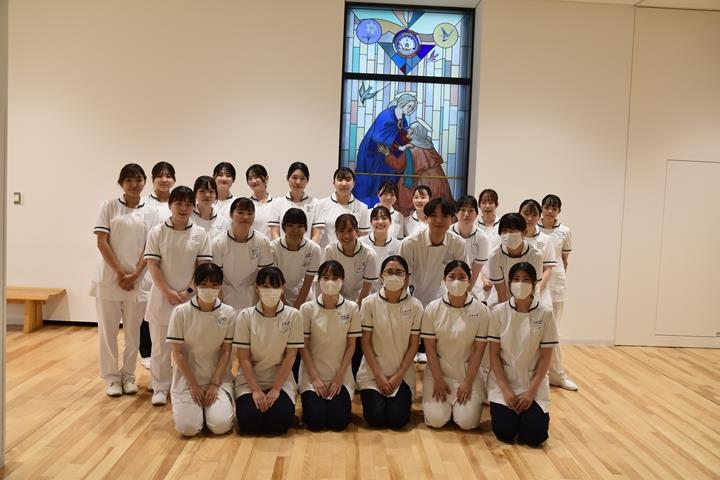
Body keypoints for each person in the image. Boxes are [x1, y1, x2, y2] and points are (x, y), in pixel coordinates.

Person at [144, 186, 213, 406]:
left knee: (190, 348)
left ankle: (184, 386)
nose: (183, 208)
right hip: (162, 297)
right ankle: (160, 387)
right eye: (179, 203)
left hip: (191, 298)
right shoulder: (156, 232)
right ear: (169, 205)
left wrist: (188, 291)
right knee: (160, 347)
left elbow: (203, 267)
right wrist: (167, 291)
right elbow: (153, 265)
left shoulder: (200, 234)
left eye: (188, 204)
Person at [91, 163, 155, 397]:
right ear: (121, 183)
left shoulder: (151, 211)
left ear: (144, 182)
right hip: (110, 279)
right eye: (129, 180)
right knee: (107, 332)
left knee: (133, 333)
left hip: (139, 281)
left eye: (138, 179)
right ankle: (111, 378)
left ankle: (128, 376)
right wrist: (120, 273)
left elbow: (151, 246)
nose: (134, 184)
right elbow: (102, 242)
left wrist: (135, 275)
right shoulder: (108, 207)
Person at [487, 262, 558, 446]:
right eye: (516, 279)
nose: (520, 284)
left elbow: (546, 357)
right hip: (504, 382)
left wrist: (531, 393)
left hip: (532, 384)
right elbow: (494, 354)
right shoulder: (499, 312)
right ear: (509, 283)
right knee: (505, 432)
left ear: (534, 284)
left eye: (526, 280)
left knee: (535, 436)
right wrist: (505, 389)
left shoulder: (545, 313)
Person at [233, 267, 304, 435]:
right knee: (249, 423)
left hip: (280, 380)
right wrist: (256, 390)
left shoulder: (293, 315)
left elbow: (291, 355)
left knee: (278, 424)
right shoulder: (245, 316)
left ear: (282, 288)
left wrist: (276, 389)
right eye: (265, 286)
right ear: (256, 288)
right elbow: (243, 358)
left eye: (275, 286)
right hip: (250, 380)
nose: (270, 290)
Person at [167, 263, 235, 436]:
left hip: (218, 379)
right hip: (187, 380)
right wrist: (193, 385)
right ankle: (195, 412)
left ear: (221, 286)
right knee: (189, 428)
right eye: (204, 284)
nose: (209, 289)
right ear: (195, 285)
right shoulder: (181, 312)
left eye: (214, 284)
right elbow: (178, 353)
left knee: (219, 426)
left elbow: (226, 352)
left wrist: (214, 384)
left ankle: (210, 411)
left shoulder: (228, 313)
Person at [421, 261, 490, 430]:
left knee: (466, 422)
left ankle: (459, 409)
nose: (456, 281)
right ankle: (446, 408)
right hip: (438, 373)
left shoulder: (481, 311)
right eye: (452, 277)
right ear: (444, 280)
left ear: (469, 281)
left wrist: (467, 382)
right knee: (436, 420)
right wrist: (438, 379)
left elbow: (479, 350)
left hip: (468, 374)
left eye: (462, 277)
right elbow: (430, 348)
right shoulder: (432, 309)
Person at [357, 255, 423, 429]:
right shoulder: (369, 303)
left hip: (402, 375)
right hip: (373, 373)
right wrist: (379, 375)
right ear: (381, 276)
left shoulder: (415, 306)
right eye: (389, 272)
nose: (394, 276)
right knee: (375, 418)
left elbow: (413, 346)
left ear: (406, 277)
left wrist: (398, 376)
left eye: (399, 272)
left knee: (397, 420)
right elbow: (365, 343)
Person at [298, 261, 361, 431]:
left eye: (335, 278)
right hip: (313, 374)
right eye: (325, 277)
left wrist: (340, 377)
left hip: (340, 375)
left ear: (343, 280)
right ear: (318, 280)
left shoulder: (352, 308)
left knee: (339, 422)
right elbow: (303, 346)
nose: (330, 282)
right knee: (315, 421)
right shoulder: (307, 309)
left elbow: (351, 346)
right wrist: (315, 378)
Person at [139, 161, 177, 369]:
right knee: (147, 310)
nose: (164, 180)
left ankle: (170, 353)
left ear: (174, 180)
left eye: (168, 176)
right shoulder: (144, 203)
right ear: (152, 179)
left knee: (170, 311)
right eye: (160, 176)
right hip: (147, 265)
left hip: (173, 264)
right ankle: (146, 352)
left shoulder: (178, 201)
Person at [539, 194, 577, 391]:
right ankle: (539, 372)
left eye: (554, 208)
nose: (550, 211)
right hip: (536, 286)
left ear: (559, 211)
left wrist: (557, 280)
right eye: (547, 207)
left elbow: (565, 260)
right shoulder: (534, 229)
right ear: (542, 208)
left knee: (554, 332)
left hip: (557, 286)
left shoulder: (564, 231)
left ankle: (557, 374)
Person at [354, 91, 417, 206]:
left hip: (388, 154)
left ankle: (388, 203)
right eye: (410, 106)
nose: (411, 110)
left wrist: (405, 142)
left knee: (388, 177)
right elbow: (377, 136)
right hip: (374, 153)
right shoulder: (386, 116)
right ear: (402, 103)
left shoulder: (403, 118)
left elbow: (403, 134)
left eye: (413, 108)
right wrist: (398, 145)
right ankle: (371, 204)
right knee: (375, 179)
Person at [212, 197, 274, 311]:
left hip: (252, 297)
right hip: (225, 296)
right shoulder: (218, 242)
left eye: (250, 213)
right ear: (231, 214)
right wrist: (220, 307)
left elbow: (265, 278)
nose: (245, 217)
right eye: (240, 212)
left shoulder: (262, 241)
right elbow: (215, 278)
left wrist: (261, 307)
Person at [380, 119, 454, 213]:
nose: (408, 135)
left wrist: (387, 154)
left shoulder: (411, 149)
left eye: (410, 133)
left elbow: (398, 166)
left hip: (417, 182)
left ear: (416, 134)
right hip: (437, 182)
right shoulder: (428, 146)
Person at [486, 213, 544, 305]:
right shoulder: (495, 256)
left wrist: (522, 310)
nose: (508, 234)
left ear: (524, 232)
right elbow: (501, 292)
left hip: (528, 300)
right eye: (504, 231)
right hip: (502, 301)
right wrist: (507, 311)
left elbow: (532, 288)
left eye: (513, 230)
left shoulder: (535, 256)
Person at [270, 208, 322, 308]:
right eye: (290, 225)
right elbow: (275, 281)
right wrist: (285, 308)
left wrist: (297, 306)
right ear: (284, 227)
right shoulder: (273, 248)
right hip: (278, 296)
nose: (295, 230)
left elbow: (307, 282)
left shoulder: (313, 249)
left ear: (306, 228)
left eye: (300, 226)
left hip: (304, 297)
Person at [322, 214, 378, 305]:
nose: (346, 235)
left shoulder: (369, 254)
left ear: (357, 231)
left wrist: (358, 307)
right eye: (341, 231)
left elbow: (367, 288)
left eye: (350, 230)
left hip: (362, 300)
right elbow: (330, 280)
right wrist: (340, 305)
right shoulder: (330, 250)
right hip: (337, 299)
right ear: (336, 233)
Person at [316, 167, 371, 248]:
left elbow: (363, 237)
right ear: (333, 183)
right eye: (340, 179)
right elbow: (316, 234)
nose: (344, 184)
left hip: (352, 253)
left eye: (348, 180)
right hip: (328, 253)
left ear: (353, 183)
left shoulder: (362, 208)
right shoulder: (321, 205)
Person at [269, 162, 323, 242]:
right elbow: (274, 233)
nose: (298, 182)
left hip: (307, 249)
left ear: (307, 180)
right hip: (282, 249)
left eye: (302, 178)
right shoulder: (277, 203)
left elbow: (316, 234)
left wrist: (308, 249)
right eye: (294, 177)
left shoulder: (316, 204)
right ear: (288, 178)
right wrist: (282, 248)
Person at [450, 195, 490, 299]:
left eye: (471, 210)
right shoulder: (447, 234)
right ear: (456, 213)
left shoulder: (482, 238)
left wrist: (465, 292)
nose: (466, 214)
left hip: (472, 284)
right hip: (448, 282)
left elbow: (476, 270)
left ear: (476, 214)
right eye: (463, 210)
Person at [519, 199, 557, 306]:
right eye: (526, 214)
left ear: (540, 216)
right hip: (515, 290)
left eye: (534, 215)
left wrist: (535, 291)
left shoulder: (545, 239)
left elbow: (548, 269)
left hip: (539, 293)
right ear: (519, 214)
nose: (529, 218)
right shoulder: (512, 237)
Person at [359, 206, 401, 293]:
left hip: (389, 291)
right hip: (364, 291)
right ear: (371, 222)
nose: (380, 222)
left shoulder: (398, 245)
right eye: (376, 218)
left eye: (384, 218)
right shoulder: (361, 243)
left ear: (390, 221)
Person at [191, 176, 230, 240]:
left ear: (216, 195)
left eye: (211, 191)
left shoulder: (223, 222)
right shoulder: (188, 218)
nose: (207, 195)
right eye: (202, 191)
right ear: (195, 194)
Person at [246, 164, 274, 239]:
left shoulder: (275, 204)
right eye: (250, 178)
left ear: (266, 178)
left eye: (256, 177)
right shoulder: (246, 205)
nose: (253, 181)